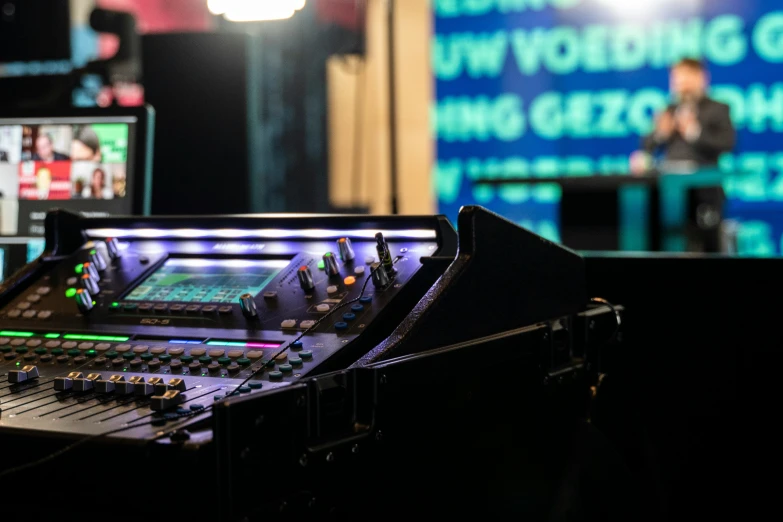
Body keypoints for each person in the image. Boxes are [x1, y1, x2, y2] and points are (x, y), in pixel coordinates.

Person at [635, 58, 735, 171]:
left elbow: (727, 144)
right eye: (677, 77)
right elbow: (646, 145)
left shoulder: (717, 109)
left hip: (703, 177)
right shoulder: (669, 110)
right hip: (670, 177)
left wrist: (693, 132)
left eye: (687, 75)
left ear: (701, 77)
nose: (682, 81)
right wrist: (661, 133)